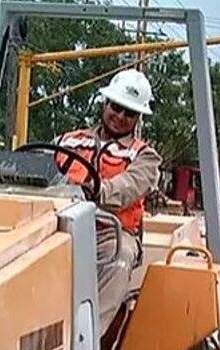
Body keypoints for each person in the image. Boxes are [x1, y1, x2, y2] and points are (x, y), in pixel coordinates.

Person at [53, 69, 162, 335]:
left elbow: (128, 187)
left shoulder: (145, 156)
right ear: (105, 104)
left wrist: (96, 192)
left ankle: (85, 343)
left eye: (129, 112)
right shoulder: (69, 140)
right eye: (117, 107)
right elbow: (41, 167)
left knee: (121, 256)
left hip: (109, 233)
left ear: (137, 118)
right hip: (58, 225)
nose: (120, 116)